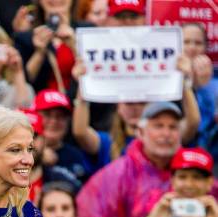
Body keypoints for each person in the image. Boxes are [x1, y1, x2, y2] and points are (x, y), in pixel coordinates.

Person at [76, 102, 218, 217]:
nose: (166, 134)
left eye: (173, 127)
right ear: (140, 132)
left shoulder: (200, 175)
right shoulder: (116, 174)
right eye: (158, 126)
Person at [71, 57, 202, 172]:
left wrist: (184, 82)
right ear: (118, 107)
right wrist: (83, 85)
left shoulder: (164, 139)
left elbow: (192, 122)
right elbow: (80, 132)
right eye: (129, 103)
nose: (135, 108)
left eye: (141, 103)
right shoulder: (107, 143)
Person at [14, 0, 85, 93]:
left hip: (80, 103)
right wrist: (39, 52)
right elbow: (22, 82)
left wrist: (75, 46)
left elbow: (95, 72)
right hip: (40, 103)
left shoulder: (87, 31)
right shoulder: (24, 38)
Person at [23, 108, 81, 204]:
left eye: (34, 136)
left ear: (44, 140)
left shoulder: (64, 182)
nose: (27, 143)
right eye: (18, 137)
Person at [32, 89, 89, 181]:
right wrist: (37, 156)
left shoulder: (77, 156)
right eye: (47, 114)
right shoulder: (19, 153)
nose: (54, 121)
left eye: (60, 116)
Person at [181, 23, 215, 147]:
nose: (192, 48)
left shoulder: (214, 84)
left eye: (198, 43)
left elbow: (207, 125)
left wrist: (204, 88)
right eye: (186, 42)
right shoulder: (168, 80)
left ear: (206, 47)